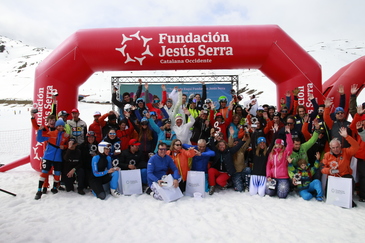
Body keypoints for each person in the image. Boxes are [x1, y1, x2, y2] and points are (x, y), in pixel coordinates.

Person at [321, 127, 359, 206]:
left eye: (337, 147)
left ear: (340, 145)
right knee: (329, 198)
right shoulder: (327, 155)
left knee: (350, 179)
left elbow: (356, 147)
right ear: (330, 148)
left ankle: (348, 199)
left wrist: (347, 137)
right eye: (333, 147)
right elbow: (322, 168)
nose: (335, 149)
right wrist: (329, 171)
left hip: (344, 175)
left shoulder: (346, 152)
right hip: (332, 177)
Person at [34, 119, 69, 200]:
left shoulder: (65, 135)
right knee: (44, 173)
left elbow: (67, 145)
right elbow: (39, 139)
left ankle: (54, 188)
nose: (60, 127)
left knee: (57, 174)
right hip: (48, 157)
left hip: (58, 158)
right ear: (56, 126)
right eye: (59, 126)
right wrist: (39, 131)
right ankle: (39, 191)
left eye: (62, 126)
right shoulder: (51, 133)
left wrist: (64, 147)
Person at [265, 125, 293, 199]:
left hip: (283, 177)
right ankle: (275, 187)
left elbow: (290, 145)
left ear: (282, 145)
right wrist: (268, 176)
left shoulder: (285, 153)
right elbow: (268, 166)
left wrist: (288, 134)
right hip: (273, 177)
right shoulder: (272, 154)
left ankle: (283, 187)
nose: (278, 145)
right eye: (277, 144)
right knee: (269, 192)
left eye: (280, 144)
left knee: (282, 195)